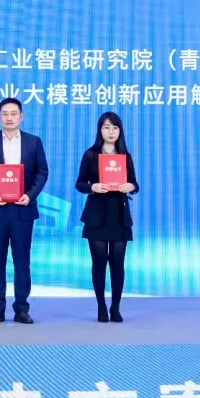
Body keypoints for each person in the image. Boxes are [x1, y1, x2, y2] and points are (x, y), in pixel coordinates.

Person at [0, 97, 49, 325]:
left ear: (21, 117)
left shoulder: (33, 142)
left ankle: (22, 309)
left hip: (22, 211)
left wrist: (30, 195)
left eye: (13, 114)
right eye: (5, 114)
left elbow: (42, 172)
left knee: (22, 261)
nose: (9, 118)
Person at [75, 111, 139, 322]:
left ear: (120, 131)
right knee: (99, 262)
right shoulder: (90, 155)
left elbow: (135, 184)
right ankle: (101, 306)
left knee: (118, 263)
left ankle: (116, 307)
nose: (111, 131)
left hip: (119, 215)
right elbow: (79, 184)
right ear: (99, 130)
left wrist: (130, 186)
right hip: (96, 215)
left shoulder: (125, 156)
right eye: (106, 127)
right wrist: (92, 187)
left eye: (115, 127)